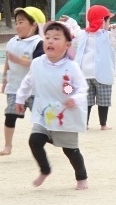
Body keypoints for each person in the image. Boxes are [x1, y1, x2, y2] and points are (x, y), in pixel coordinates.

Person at [16, 21, 89, 190]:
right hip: (44, 112)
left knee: (70, 150)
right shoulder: (37, 63)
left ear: (67, 45)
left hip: (66, 113)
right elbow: (28, 82)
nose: (50, 41)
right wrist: (20, 99)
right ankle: (45, 169)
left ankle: (82, 178)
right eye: (47, 37)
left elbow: (81, 88)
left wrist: (73, 97)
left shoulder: (71, 67)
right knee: (34, 141)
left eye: (56, 38)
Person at [61, 5, 116, 130]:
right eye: (108, 20)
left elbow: (75, 30)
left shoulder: (87, 34)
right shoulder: (106, 36)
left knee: (88, 101)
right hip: (99, 73)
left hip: (86, 74)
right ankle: (102, 124)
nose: (109, 24)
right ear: (102, 21)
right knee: (102, 101)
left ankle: (86, 124)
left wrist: (70, 20)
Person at [0, 6, 45, 156]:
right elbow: (8, 60)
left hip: (35, 90)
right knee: (10, 115)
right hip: (15, 87)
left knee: (40, 119)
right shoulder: (12, 41)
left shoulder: (38, 43)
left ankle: (42, 142)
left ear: (34, 25)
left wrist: (19, 61)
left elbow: (39, 64)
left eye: (21, 22)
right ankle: (8, 145)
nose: (17, 26)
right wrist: (4, 78)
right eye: (16, 22)